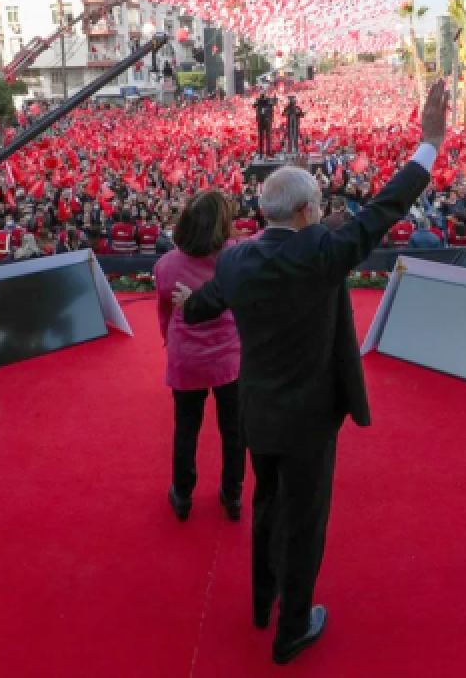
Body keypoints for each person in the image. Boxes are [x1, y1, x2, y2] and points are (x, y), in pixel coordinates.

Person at [172, 78, 448, 666]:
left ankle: (261, 602)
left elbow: (202, 306)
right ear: (304, 212)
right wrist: (428, 144)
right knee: (305, 521)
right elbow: (386, 207)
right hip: (310, 420)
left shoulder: (237, 259)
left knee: (266, 506)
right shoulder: (324, 252)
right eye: (318, 206)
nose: (323, 213)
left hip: (259, 413)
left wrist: (184, 304)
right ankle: (292, 628)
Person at [155, 191, 245, 523]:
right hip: (229, 359)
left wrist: (169, 339)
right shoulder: (236, 256)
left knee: (186, 429)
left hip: (187, 358)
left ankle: (182, 494)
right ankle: (232, 494)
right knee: (234, 431)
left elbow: (164, 312)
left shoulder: (166, 265)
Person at [254, 89, 276, 157]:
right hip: (261, 121)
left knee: (268, 137)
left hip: (267, 121)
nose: (263, 96)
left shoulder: (269, 102)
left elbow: (274, 102)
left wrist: (274, 97)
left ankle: (268, 152)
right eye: (262, 95)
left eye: (264, 95)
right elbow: (254, 105)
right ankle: (261, 152)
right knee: (261, 137)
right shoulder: (258, 102)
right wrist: (259, 100)